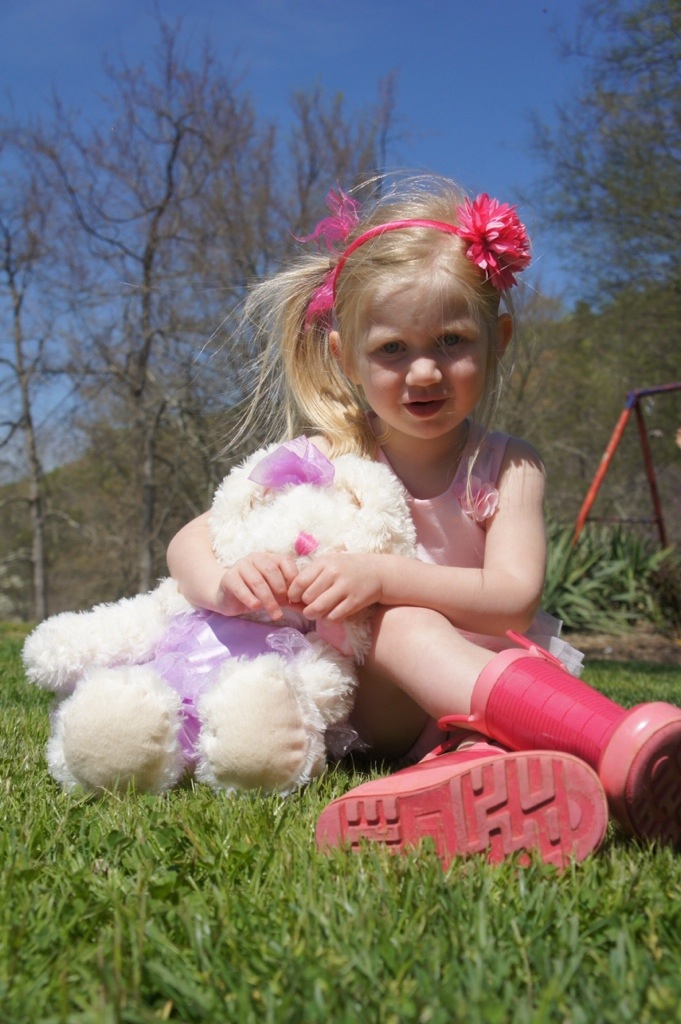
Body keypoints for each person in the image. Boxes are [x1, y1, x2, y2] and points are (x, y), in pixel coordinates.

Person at [167, 174, 681, 869]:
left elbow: (512, 597)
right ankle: (618, 746)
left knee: (445, 674)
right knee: (397, 624)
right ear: (344, 356)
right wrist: (226, 581)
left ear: (497, 339)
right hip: (372, 702)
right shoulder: (326, 457)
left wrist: (382, 574)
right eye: (392, 349)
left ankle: (461, 774)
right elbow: (192, 538)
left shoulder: (507, 465)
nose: (424, 373)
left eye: (450, 340)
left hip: (491, 685)